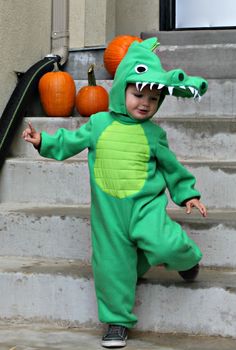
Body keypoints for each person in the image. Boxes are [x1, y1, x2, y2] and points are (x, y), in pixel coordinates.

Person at [22, 37, 208, 348]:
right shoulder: (98, 123)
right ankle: (116, 322)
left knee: (165, 243)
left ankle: (187, 260)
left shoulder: (154, 134)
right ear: (121, 88)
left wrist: (187, 193)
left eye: (153, 99)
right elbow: (70, 142)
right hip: (109, 213)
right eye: (138, 94)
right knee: (111, 266)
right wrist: (44, 141)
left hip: (145, 207)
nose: (145, 103)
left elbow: (172, 167)